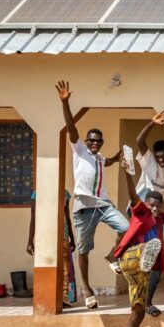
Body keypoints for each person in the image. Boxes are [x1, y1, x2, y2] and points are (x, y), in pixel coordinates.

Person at [56, 80, 128, 310]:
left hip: (103, 205)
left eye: (98, 140)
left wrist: (118, 158)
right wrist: (66, 103)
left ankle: (113, 256)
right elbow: (70, 127)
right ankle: (88, 291)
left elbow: (107, 161)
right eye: (91, 140)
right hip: (84, 208)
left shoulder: (98, 157)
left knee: (126, 228)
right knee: (84, 251)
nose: (95, 143)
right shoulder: (80, 150)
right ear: (85, 142)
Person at [109, 159, 164, 327]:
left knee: (138, 311)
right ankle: (146, 252)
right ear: (146, 205)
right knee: (149, 246)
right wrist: (128, 173)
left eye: (158, 206)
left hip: (141, 271)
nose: (154, 208)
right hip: (130, 259)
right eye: (151, 205)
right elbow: (133, 196)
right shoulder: (141, 213)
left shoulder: (159, 218)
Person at [135, 110, 164, 317]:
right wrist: (152, 123)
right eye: (158, 156)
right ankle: (117, 256)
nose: (161, 160)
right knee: (142, 260)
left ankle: (147, 302)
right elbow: (139, 140)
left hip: (156, 217)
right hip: (141, 213)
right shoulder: (149, 161)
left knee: (156, 266)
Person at [27, 189, 76, 307]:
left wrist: (72, 238)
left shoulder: (65, 193)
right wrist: (30, 241)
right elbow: (33, 218)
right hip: (45, 236)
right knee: (48, 265)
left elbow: (67, 217)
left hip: (63, 236)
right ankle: (47, 299)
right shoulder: (37, 193)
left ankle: (63, 298)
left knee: (65, 267)